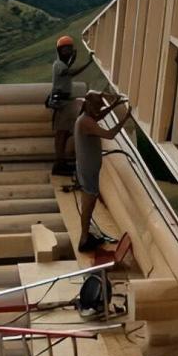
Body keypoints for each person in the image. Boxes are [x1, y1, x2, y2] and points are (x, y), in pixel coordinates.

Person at [74, 90, 132, 253]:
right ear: (89, 105)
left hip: (88, 167)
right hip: (87, 169)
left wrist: (113, 105)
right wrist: (125, 119)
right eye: (98, 106)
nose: (99, 110)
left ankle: (86, 236)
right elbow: (110, 134)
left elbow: (98, 116)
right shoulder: (85, 121)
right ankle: (84, 239)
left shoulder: (87, 117)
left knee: (89, 202)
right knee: (88, 204)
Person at [51, 36, 94, 175]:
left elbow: (67, 70)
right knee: (61, 134)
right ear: (59, 50)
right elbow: (70, 73)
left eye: (70, 49)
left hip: (63, 102)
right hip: (61, 103)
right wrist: (88, 63)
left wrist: (72, 60)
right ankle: (59, 164)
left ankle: (61, 162)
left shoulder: (61, 64)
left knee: (63, 133)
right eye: (65, 49)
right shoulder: (59, 65)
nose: (68, 51)